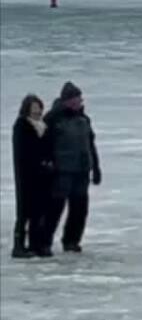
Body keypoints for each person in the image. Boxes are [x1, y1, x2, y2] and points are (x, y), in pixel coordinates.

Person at [44, 82, 101, 253]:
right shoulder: (53, 118)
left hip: (82, 170)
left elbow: (91, 144)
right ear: (67, 100)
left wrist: (96, 168)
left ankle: (71, 241)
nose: (80, 101)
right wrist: (48, 166)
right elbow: (45, 145)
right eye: (77, 98)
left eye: (80, 98)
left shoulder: (84, 119)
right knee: (55, 208)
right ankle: (45, 241)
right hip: (62, 171)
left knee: (79, 209)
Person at [11, 94, 53, 258]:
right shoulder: (22, 125)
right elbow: (24, 151)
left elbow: (47, 147)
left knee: (38, 211)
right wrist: (37, 163)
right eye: (34, 108)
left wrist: (48, 163)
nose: (37, 111)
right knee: (24, 212)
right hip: (26, 175)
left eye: (39, 108)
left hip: (42, 175)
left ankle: (36, 244)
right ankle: (18, 245)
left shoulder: (43, 126)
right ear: (27, 109)